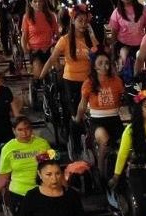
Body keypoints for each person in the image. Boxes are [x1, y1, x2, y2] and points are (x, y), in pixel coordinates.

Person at [37, 5, 99, 146]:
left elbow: (99, 54)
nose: (83, 24)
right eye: (80, 21)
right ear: (73, 21)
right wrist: (40, 76)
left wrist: (93, 36)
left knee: (90, 111)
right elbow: (52, 59)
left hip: (88, 80)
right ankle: (74, 141)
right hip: (71, 81)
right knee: (73, 112)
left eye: (85, 21)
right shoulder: (65, 40)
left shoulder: (90, 39)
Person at [0, 115, 52, 212]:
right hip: (19, 193)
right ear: (14, 131)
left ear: (31, 129)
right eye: (20, 130)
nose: (24, 133)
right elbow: (3, 175)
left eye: (27, 129)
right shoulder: (8, 149)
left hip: (42, 190)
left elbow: (53, 166)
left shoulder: (43, 144)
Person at [20, 0, 59, 67]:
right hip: (35, 50)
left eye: (40, 1)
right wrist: (25, 49)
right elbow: (24, 36)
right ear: (31, 4)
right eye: (35, 1)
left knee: (58, 66)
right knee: (38, 69)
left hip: (49, 48)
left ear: (43, 2)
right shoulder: (27, 17)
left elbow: (57, 34)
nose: (38, 4)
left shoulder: (51, 16)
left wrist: (55, 45)